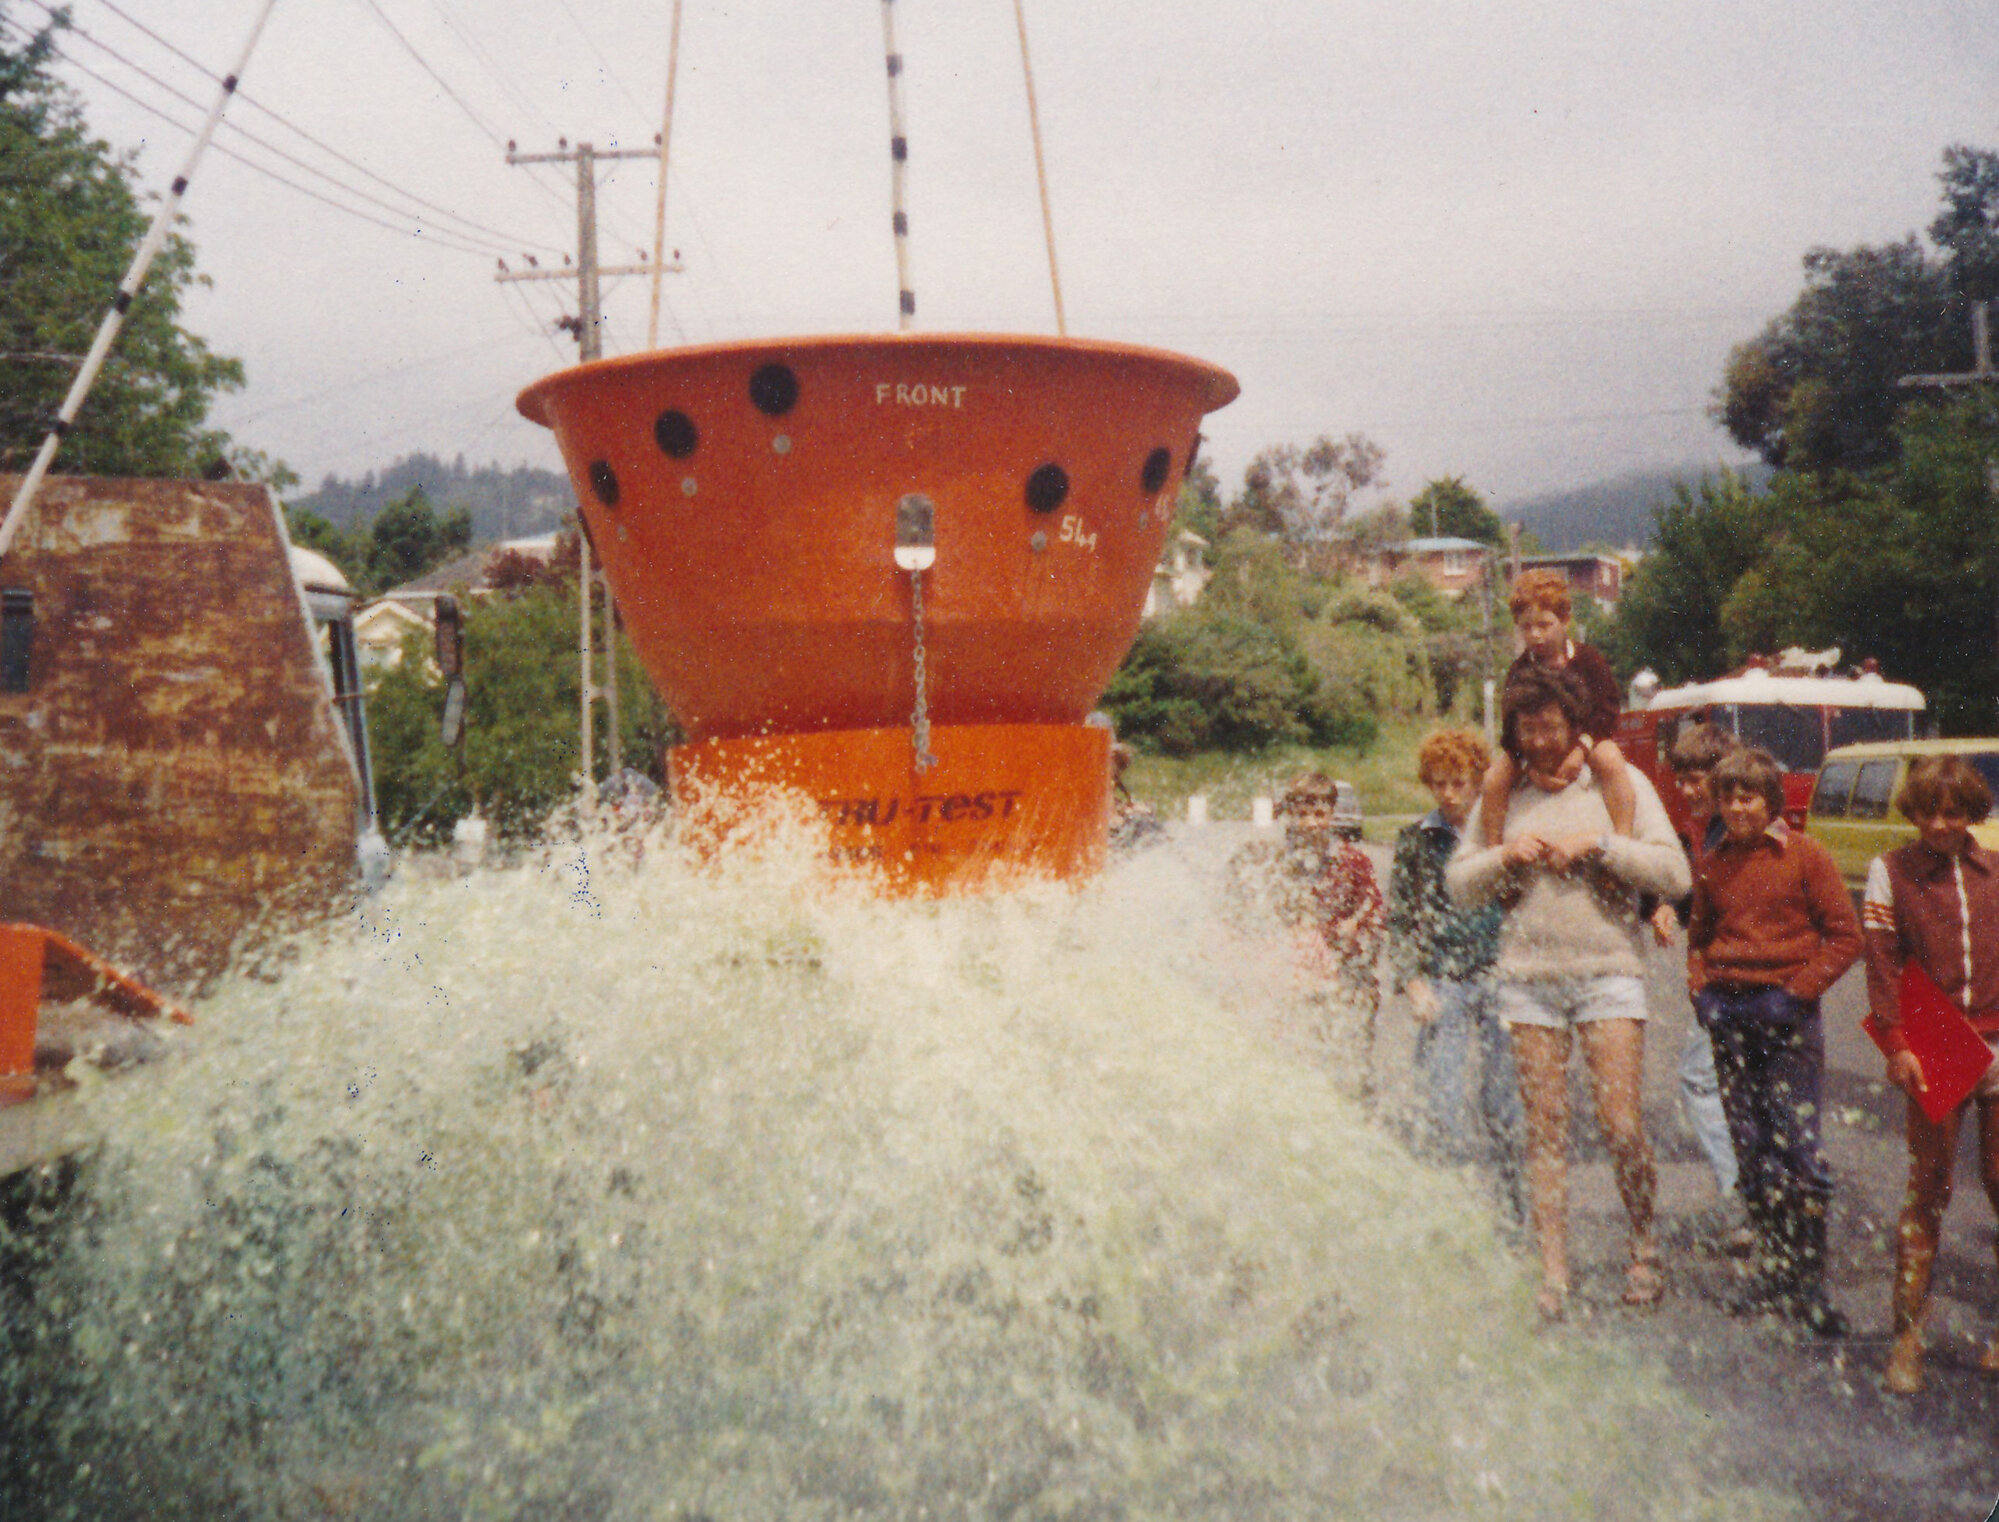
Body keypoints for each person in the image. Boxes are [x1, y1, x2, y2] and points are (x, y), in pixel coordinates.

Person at [1448, 664, 1690, 1319]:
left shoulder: (1621, 783)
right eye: (1528, 733)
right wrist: (1505, 855)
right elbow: (1458, 882)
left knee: (1620, 1125)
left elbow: (1673, 872)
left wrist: (1601, 845)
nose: (1542, 744)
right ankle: (1552, 1270)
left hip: (1608, 972)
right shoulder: (1504, 796)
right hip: (1527, 981)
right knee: (1544, 1132)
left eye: (1552, 729)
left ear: (1575, 727)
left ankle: (1642, 1244)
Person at [1686, 747, 1861, 1336]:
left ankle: (1810, 1282)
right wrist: (1701, 990)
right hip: (1731, 1016)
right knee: (1750, 1145)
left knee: (1798, 1146)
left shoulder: (1805, 856)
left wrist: (1798, 992)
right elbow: (1699, 938)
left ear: (1771, 802)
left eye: (1748, 797)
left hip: (1786, 1018)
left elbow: (1845, 936)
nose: (1737, 808)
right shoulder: (1713, 863)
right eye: (1728, 797)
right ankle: (1775, 1267)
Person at [1862, 755, 1999, 1392]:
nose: (1941, 823)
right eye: (1928, 812)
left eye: (1954, 811)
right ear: (1912, 813)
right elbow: (1883, 962)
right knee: (1930, 1190)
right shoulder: (1890, 871)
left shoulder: (1995, 868)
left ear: (1973, 812)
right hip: (1936, 1037)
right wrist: (1896, 1040)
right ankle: (1906, 1340)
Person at [1388, 728, 1522, 1220]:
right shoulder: (1415, 840)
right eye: (1438, 783)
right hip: (1443, 978)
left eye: (1458, 782)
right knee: (1439, 1102)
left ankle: (1515, 1215)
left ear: (1478, 781)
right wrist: (1411, 979)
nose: (1448, 794)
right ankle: (1448, 1215)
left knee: (1504, 1107)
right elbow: (1400, 920)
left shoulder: (1500, 832)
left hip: (1502, 976)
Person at [1651, 723, 1751, 1236]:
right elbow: (1699, 892)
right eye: (1681, 781)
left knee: (1698, 1080)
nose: (1687, 791)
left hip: (1730, 985)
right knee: (1736, 1087)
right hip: (1723, 983)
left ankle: (1739, 1194)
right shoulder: (1710, 832)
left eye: (1696, 781)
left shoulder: (1731, 834)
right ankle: (1753, 1196)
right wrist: (1671, 904)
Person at [1233, 773, 1384, 1097]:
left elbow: (1376, 910)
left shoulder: (1352, 861)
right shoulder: (1274, 859)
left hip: (1346, 980)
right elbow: (1247, 914)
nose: (1311, 824)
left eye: (1319, 815)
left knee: (1350, 1072)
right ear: (1290, 815)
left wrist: (1355, 926)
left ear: (1331, 814)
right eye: (1302, 815)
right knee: (1297, 1068)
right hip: (1294, 982)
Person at [1479, 568, 1635, 851]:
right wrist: (1528, 767)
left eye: (1544, 624)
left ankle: (1623, 839)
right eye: (1526, 627)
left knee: (1611, 760)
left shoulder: (1589, 660)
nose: (1535, 635)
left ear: (1565, 620)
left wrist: (1581, 750)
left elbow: (1608, 709)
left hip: (1587, 740)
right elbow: (1510, 730)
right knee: (1494, 777)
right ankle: (1492, 847)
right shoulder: (1519, 670)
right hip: (1534, 748)